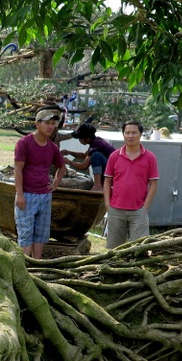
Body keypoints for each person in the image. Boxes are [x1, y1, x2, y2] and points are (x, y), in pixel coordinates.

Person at [13, 108, 66, 259]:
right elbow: (18, 169)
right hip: (27, 195)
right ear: (37, 124)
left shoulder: (52, 147)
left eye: (53, 123)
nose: (50, 127)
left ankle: (37, 264)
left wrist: (56, 183)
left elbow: (62, 166)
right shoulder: (24, 143)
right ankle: (25, 265)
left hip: (44, 195)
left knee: (41, 234)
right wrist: (20, 194)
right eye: (47, 123)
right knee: (25, 232)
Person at [103, 120, 159, 248]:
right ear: (123, 134)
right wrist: (107, 204)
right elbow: (107, 181)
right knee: (114, 248)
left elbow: (154, 184)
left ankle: (137, 267)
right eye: (127, 132)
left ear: (140, 134)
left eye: (134, 132)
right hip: (116, 209)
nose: (130, 136)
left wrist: (145, 207)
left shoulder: (150, 157)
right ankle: (114, 267)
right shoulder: (114, 156)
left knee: (140, 248)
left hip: (138, 210)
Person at [61, 123, 116, 190]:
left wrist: (69, 162)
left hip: (114, 174)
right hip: (111, 172)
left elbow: (84, 166)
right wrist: (69, 152)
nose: (79, 140)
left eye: (80, 138)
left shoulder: (96, 146)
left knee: (96, 155)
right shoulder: (97, 141)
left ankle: (97, 185)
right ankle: (100, 184)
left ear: (88, 139)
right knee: (94, 155)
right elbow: (84, 155)